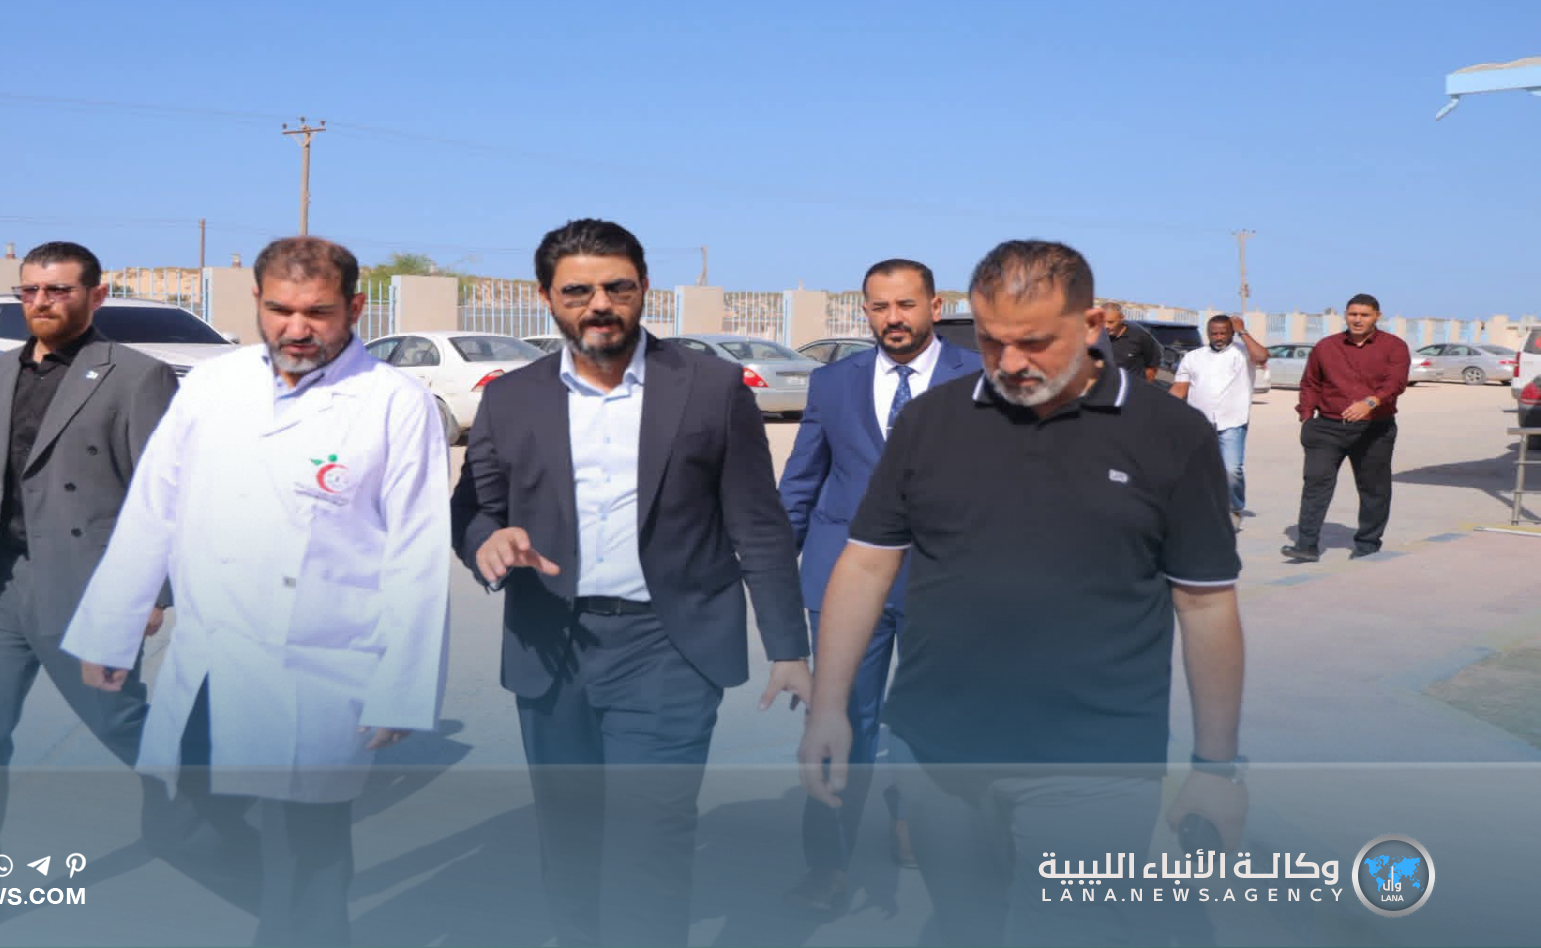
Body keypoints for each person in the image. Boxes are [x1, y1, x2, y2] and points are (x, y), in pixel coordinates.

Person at [799, 240, 1247, 947]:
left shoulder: (1170, 434)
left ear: (1092, 323)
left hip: (1095, 762)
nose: (1009, 363)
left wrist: (1216, 767)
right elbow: (865, 566)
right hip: (939, 753)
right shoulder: (931, 422)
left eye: (1034, 342)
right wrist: (830, 708)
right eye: (989, 341)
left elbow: (1206, 602)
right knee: (963, 926)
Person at [62, 236, 451, 946]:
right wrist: (111, 625)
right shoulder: (213, 386)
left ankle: (301, 927)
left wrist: (404, 686)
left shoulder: (395, 403)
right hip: (212, 657)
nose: (296, 328)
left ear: (355, 308)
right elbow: (154, 507)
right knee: (176, 824)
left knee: (306, 851)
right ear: (257, 303)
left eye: (318, 312)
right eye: (280, 309)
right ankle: (304, 925)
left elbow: (416, 552)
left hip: (319, 665)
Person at [450, 218, 811, 947]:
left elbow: (758, 521)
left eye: (617, 287)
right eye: (577, 291)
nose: (599, 305)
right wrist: (488, 541)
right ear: (546, 298)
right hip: (551, 648)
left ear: (644, 288)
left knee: (650, 842)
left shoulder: (710, 388)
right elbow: (474, 507)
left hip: (667, 648)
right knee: (570, 840)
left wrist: (788, 646)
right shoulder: (511, 397)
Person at [0, 241, 179, 948]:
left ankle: (206, 811)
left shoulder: (136, 376)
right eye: (29, 291)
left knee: (124, 727)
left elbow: (166, 494)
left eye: (57, 290)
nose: (41, 303)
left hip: (85, 589)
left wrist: (154, 591)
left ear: (96, 295)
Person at [776, 258, 982, 910]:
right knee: (840, 718)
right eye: (879, 306)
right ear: (865, 310)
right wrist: (777, 574)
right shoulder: (833, 381)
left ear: (935, 307)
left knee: (930, 724)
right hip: (843, 580)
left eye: (906, 305)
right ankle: (827, 864)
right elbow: (803, 480)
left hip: (943, 583)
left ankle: (912, 816)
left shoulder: (978, 378)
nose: (893, 318)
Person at [1281, 294, 1410, 562]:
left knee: (1373, 488)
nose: (1358, 320)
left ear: (1377, 316)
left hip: (1374, 429)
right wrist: (1306, 416)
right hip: (1327, 428)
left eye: (1364, 315)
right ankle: (1306, 545)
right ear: (1346, 315)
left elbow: (1396, 383)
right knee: (1316, 483)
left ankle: (1367, 544)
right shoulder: (1326, 346)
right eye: (1353, 314)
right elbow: (1311, 383)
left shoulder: (1394, 346)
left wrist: (1370, 402)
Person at [1172, 315, 1270, 532]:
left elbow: (1262, 356)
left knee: (1231, 470)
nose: (1218, 337)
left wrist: (1243, 331)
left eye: (1223, 333)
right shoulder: (1193, 357)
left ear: (1231, 333)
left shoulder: (1244, 353)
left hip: (1233, 420)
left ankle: (1233, 508)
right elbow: (1179, 388)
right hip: (1199, 423)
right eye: (1213, 333)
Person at [1102, 302, 1162, 384]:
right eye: (1102, 322)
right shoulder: (1096, 336)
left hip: (1131, 388)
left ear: (1122, 318)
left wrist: (1144, 386)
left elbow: (1152, 366)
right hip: (1105, 388)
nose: (1106, 326)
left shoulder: (1140, 336)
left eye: (1111, 322)